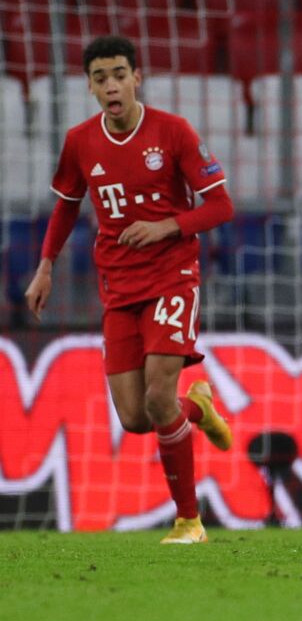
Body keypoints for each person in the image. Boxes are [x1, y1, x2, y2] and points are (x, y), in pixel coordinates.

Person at [24, 35, 236, 544]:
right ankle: (199, 407)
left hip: (172, 278)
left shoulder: (173, 131)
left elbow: (221, 206)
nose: (112, 86)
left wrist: (168, 227)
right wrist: (46, 266)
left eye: (120, 75)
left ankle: (189, 522)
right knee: (137, 418)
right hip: (118, 289)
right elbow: (67, 206)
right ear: (90, 87)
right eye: (101, 78)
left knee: (160, 397)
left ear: (136, 78)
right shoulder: (80, 141)